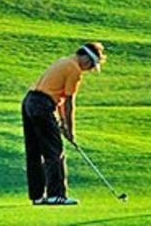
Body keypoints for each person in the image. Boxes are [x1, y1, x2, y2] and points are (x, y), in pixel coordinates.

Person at [22, 42, 106, 206]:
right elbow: (68, 102)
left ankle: (37, 196)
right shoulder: (74, 70)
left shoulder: (64, 61)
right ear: (86, 58)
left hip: (29, 101)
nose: (89, 69)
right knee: (54, 151)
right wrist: (70, 130)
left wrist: (62, 124)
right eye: (91, 65)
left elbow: (59, 100)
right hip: (42, 105)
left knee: (34, 152)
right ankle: (56, 195)